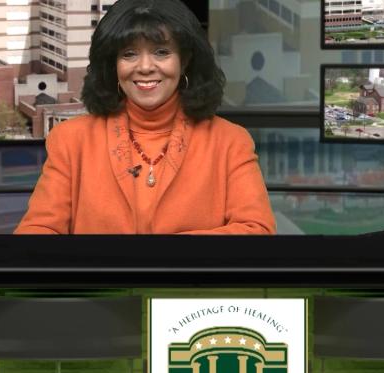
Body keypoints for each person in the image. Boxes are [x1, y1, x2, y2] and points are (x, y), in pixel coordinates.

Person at [14, 0, 276, 234]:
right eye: (129, 54)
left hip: (186, 288)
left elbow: (257, 230)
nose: (145, 67)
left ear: (184, 61)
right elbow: (37, 232)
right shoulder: (70, 141)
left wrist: (158, 259)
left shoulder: (230, 142)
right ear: (112, 64)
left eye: (161, 52)